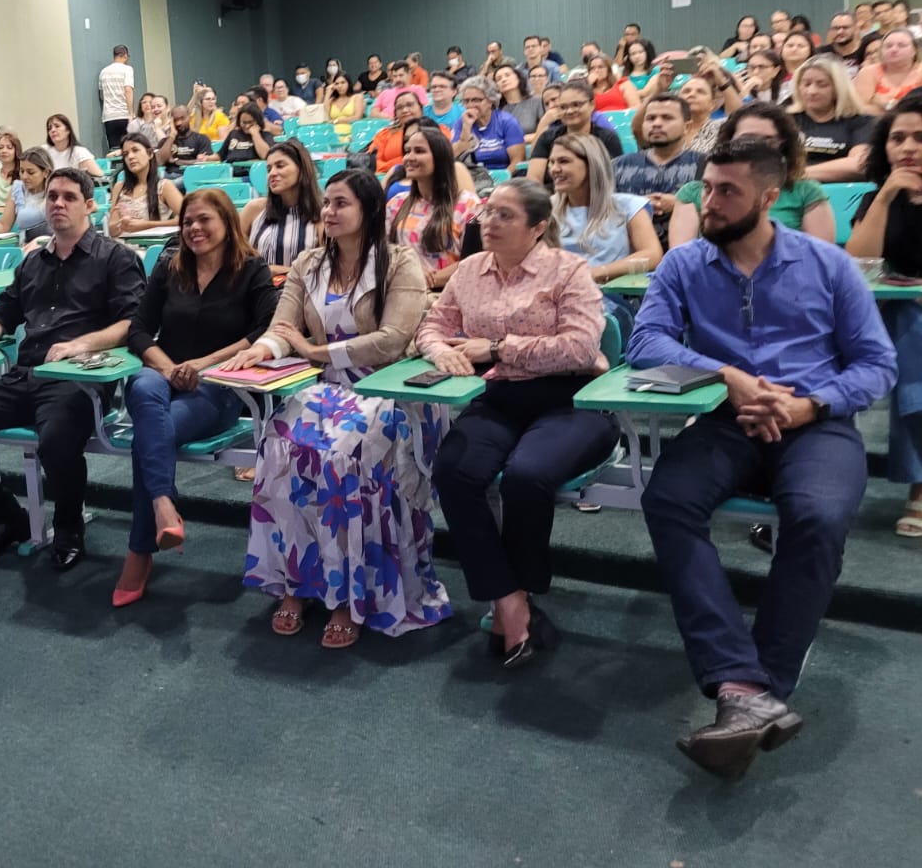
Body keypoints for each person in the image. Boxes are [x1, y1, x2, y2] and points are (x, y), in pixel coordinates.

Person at [628, 140, 895, 779]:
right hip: (725, 419)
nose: (708, 202)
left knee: (819, 517)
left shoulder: (827, 265)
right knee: (667, 499)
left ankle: (751, 689)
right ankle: (749, 690)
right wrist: (728, 375)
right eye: (706, 188)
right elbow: (646, 342)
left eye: (727, 191)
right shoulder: (685, 263)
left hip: (817, 425)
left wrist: (809, 405)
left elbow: (877, 364)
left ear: (770, 198)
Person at [225, 170, 449, 647]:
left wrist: (316, 353)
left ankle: (351, 595)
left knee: (346, 452)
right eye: (326, 203)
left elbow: (392, 340)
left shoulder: (400, 263)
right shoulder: (309, 263)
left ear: (368, 211)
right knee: (281, 443)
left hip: (391, 390)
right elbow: (283, 326)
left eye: (341, 203)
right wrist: (260, 351)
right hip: (328, 386)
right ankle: (296, 584)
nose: (328, 211)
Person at [417, 178, 618, 667]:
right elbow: (431, 326)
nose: (489, 222)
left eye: (505, 215)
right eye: (488, 213)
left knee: (528, 477)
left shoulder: (569, 270)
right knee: (453, 472)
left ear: (538, 227)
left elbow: (580, 348)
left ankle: (519, 596)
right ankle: (511, 601)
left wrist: (498, 348)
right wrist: (442, 351)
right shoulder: (468, 271)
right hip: (500, 396)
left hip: (571, 398)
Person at [0, 169, 144, 570]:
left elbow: (134, 323)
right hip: (24, 377)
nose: (57, 203)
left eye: (69, 197)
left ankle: (69, 527)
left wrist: (80, 345)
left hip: (79, 382)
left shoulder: (116, 258)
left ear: (89, 205)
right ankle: (8, 518)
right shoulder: (33, 262)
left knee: (54, 443)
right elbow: (3, 317)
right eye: (52, 196)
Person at [112, 190, 279, 607]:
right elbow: (137, 329)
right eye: (187, 222)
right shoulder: (170, 268)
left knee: (147, 435)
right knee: (143, 386)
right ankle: (164, 505)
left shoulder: (252, 270)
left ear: (226, 222)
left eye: (204, 220)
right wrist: (169, 368)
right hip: (165, 377)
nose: (194, 229)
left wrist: (202, 365)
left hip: (221, 388)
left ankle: (138, 552)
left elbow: (264, 331)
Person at [845, 94, 922, 537]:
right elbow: (858, 266)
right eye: (897, 138)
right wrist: (889, 194)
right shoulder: (878, 196)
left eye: (920, 137)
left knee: (914, 331)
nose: (907, 147)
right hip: (887, 311)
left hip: (910, 316)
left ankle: (921, 487)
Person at [668, 103, 835, 245]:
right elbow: (680, 261)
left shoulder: (807, 192)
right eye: (747, 139)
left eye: (768, 141)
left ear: (783, 146)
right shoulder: (693, 193)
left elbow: (821, 263)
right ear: (728, 141)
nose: (757, 147)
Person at [547, 134, 663, 282]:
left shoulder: (629, 206)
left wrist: (598, 273)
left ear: (591, 164)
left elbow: (652, 256)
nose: (554, 169)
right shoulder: (546, 209)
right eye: (551, 162)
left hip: (612, 295)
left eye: (564, 161)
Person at [387, 123, 480, 288]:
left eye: (419, 151)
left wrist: (428, 280)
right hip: (402, 291)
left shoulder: (467, 205)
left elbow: (474, 261)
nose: (409, 157)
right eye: (407, 151)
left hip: (450, 292)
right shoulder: (397, 203)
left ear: (439, 157)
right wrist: (411, 274)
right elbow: (383, 252)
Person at [613, 92, 703, 247]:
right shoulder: (619, 165)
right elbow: (599, 211)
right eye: (650, 118)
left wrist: (681, 204)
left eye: (667, 118)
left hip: (689, 254)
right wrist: (635, 206)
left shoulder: (706, 164)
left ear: (686, 127)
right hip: (631, 256)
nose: (657, 123)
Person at [239, 139, 323, 272]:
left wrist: (275, 271)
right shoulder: (253, 209)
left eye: (280, 166)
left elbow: (325, 270)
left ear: (301, 169)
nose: (272, 173)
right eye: (269, 168)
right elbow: (233, 257)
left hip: (301, 290)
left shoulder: (322, 215)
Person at [791, 54, 874, 182]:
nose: (811, 91)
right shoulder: (786, 120)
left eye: (822, 85)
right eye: (806, 84)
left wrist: (798, 174)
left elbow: (859, 164)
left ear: (838, 87)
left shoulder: (862, 121)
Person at [527, 81, 622, 185]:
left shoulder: (607, 138)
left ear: (592, 105)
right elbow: (534, 179)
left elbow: (614, 177)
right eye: (563, 107)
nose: (569, 111)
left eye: (576, 105)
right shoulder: (547, 137)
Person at [0, 147, 54, 242]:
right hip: (25, 246)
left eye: (31, 172)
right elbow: (3, 226)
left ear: (45, 172)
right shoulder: (18, 189)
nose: (24, 176)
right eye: (22, 171)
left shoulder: (56, 193)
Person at [108, 133, 183, 235]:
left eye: (135, 150)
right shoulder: (119, 187)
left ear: (150, 154)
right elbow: (112, 231)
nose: (130, 157)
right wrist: (120, 224)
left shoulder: (164, 187)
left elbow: (185, 219)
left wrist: (146, 225)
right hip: (122, 246)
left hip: (152, 247)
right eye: (125, 154)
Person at [454, 76, 526, 176]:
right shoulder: (462, 123)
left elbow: (518, 160)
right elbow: (453, 156)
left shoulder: (506, 121)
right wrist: (466, 128)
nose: (470, 105)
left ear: (490, 101)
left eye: (476, 100)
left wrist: (502, 177)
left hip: (505, 178)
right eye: (466, 101)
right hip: (474, 179)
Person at [854, 29, 922, 115]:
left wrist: (887, 105)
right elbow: (858, 109)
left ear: (915, 50)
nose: (894, 49)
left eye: (902, 45)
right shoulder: (868, 72)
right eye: (888, 46)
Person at [368, 91, 426, 175]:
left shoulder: (435, 130)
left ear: (420, 108)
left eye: (410, 105)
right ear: (395, 113)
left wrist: (394, 163)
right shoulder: (384, 135)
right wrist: (400, 163)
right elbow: (374, 163)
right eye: (399, 107)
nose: (405, 110)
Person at [40, 113, 104, 178]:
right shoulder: (43, 151)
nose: (52, 130)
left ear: (68, 130)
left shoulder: (80, 152)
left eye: (57, 126)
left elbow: (99, 178)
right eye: (49, 128)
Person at [157, 104, 215, 173]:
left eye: (182, 118)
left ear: (189, 118)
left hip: (192, 175)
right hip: (169, 175)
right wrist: (172, 136)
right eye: (175, 120)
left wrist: (176, 161)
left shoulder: (201, 139)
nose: (178, 123)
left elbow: (204, 162)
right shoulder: (166, 142)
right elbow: (159, 161)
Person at [98, 44, 136, 149]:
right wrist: (131, 114)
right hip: (124, 115)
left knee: (114, 150)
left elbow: (102, 95)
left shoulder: (103, 72)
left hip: (109, 117)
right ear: (125, 55)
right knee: (129, 149)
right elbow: (128, 89)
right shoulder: (127, 69)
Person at [495, 63, 542, 136]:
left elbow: (545, 132)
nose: (503, 80)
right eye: (499, 79)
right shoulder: (497, 111)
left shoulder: (537, 102)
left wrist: (517, 141)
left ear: (518, 78)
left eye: (507, 75)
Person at [325, 72, 365, 141]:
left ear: (348, 84)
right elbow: (326, 119)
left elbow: (357, 117)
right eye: (336, 84)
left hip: (351, 134)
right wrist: (327, 94)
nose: (340, 86)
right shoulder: (331, 101)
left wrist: (336, 121)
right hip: (332, 135)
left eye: (343, 82)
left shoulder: (357, 97)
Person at [423, 72, 465, 137]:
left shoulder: (463, 113)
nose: (437, 89)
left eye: (442, 86)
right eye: (434, 87)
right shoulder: (422, 113)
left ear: (454, 92)